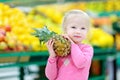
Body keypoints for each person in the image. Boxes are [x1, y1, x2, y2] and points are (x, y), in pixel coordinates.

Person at [45, 9, 94, 80]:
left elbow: (80, 63)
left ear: (87, 31)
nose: (78, 31)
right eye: (73, 27)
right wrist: (52, 56)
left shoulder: (87, 49)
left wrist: (72, 44)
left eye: (83, 28)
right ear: (65, 29)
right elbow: (51, 77)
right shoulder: (60, 50)